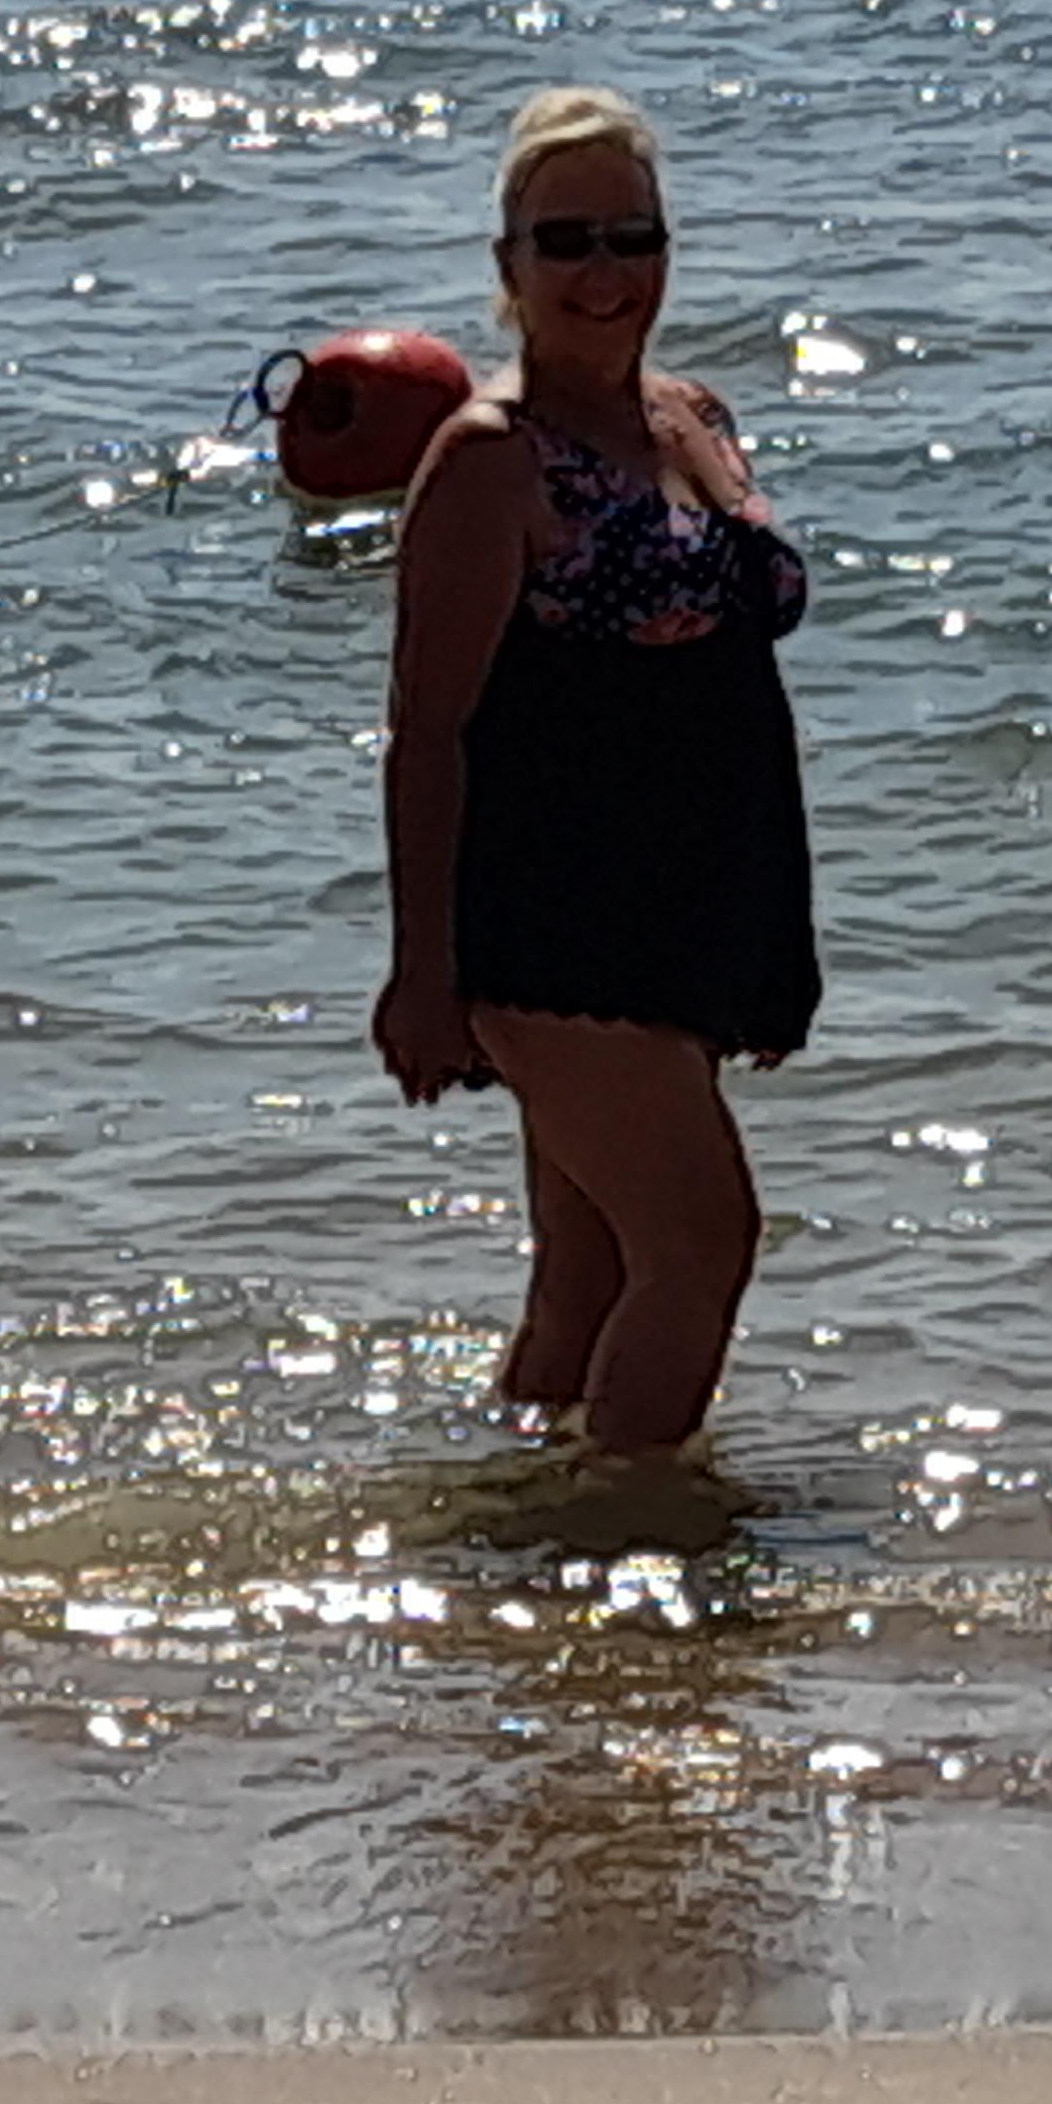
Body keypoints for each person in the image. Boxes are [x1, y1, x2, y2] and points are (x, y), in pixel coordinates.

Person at [371, 86, 819, 1461]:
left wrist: (759, 939)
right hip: (558, 927)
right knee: (703, 1246)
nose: (606, 273)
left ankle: (521, 1538)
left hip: (689, 908)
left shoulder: (693, 416)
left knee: (590, 1272)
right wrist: (423, 971)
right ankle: (632, 1543)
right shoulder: (488, 463)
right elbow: (427, 732)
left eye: (635, 234)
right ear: (507, 267)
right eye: (566, 242)